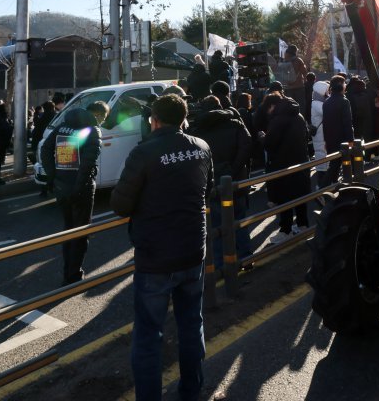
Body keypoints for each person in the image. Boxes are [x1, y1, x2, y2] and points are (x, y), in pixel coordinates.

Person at [111, 94, 213, 401]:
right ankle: (192, 390)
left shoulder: (144, 153)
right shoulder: (201, 147)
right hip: (193, 249)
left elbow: (120, 205)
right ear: (184, 119)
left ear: (153, 120)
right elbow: (204, 189)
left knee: (147, 336)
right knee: (191, 325)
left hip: (155, 256)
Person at [41, 107, 103, 285]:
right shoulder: (91, 131)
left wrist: (53, 176)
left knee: (68, 228)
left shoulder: (61, 128)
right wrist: (79, 186)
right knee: (81, 232)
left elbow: (45, 150)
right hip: (81, 189)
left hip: (62, 187)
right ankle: (74, 274)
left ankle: (67, 271)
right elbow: (87, 164)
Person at [192, 94, 253, 264]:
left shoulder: (198, 130)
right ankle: (246, 257)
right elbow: (247, 145)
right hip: (235, 180)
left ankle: (220, 264)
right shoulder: (235, 122)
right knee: (239, 218)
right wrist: (234, 169)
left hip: (212, 183)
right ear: (220, 105)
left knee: (216, 225)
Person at [264, 91, 311, 244]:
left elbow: (270, 143)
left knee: (285, 199)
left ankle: (286, 230)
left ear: (272, 106)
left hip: (283, 164)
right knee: (300, 196)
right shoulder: (299, 116)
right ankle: (303, 225)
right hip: (301, 161)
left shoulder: (278, 120)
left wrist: (262, 138)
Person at [322, 76, 354, 186]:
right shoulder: (344, 101)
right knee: (336, 164)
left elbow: (325, 124)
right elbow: (347, 123)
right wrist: (350, 139)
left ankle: (334, 184)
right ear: (341, 86)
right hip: (342, 138)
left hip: (330, 138)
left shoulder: (326, 102)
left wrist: (325, 140)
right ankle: (322, 188)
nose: (345, 85)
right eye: (344, 83)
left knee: (334, 162)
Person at [347, 76, 375, 142]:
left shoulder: (348, 95)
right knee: (367, 140)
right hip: (366, 121)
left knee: (356, 139)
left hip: (354, 120)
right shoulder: (367, 94)